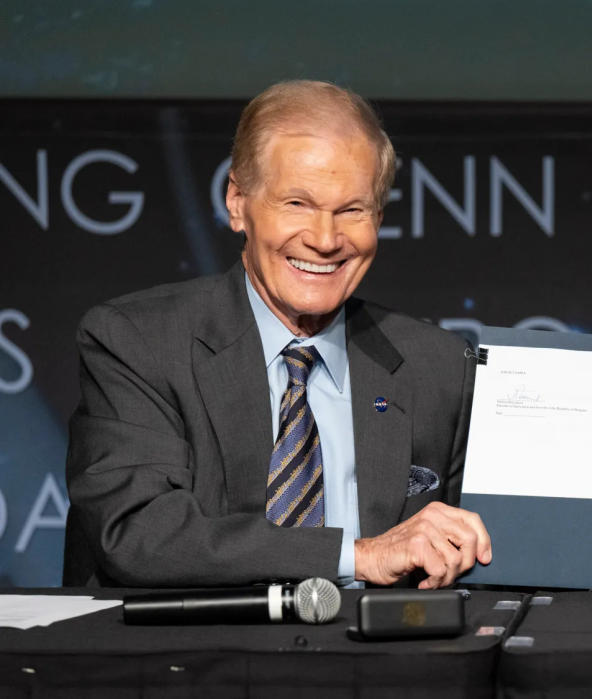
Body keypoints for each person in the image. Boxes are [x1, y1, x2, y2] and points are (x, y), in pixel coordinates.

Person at [63, 80, 491, 588]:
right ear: (238, 202)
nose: (325, 239)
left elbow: (495, 557)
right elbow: (140, 535)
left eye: (352, 210)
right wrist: (356, 556)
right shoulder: (139, 342)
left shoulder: (441, 368)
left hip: (378, 662)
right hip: (191, 660)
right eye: (297, 204)